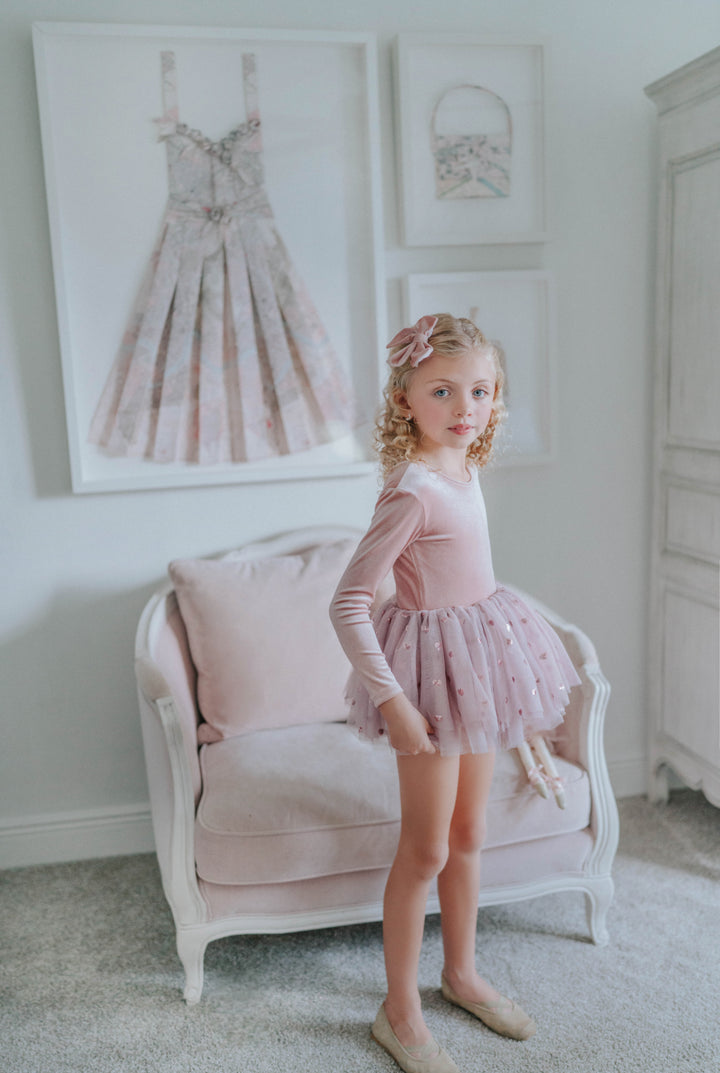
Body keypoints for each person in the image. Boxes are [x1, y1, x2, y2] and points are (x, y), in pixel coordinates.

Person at [329, 314, 580, 1073]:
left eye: (479, 389)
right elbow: (348, 602)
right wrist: (397, 703)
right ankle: (398, 1010)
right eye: (443, 390)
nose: (464, 405)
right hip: (429, 682)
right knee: (426, 845)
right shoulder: (412, 491)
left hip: (477, 664)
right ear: (406, 397)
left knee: (470, 835)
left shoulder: (464, 465)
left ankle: (461, 972)